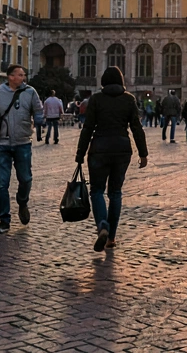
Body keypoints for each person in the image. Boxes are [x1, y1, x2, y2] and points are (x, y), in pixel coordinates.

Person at [76, 66, 148, 252]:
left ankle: (102, 226)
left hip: (99, 148)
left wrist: (80, 154)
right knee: (115, 193)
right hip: (122, 150)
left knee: (97, 191)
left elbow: (88, 128)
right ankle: (111, 238)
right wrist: (143, 153)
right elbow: (136, 127)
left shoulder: (96, 99)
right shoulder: (129, 99)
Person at [0, 65, 45, 235]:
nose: (23, 77)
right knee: (2, 184)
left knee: (26, 178)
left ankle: (22, 202)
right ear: (10, 77)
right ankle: (4, 220)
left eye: (24, 74)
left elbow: (38, 110)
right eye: (20, 75)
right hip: (2, 144)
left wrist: (38, 120)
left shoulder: (30, 92)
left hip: (22, 142)